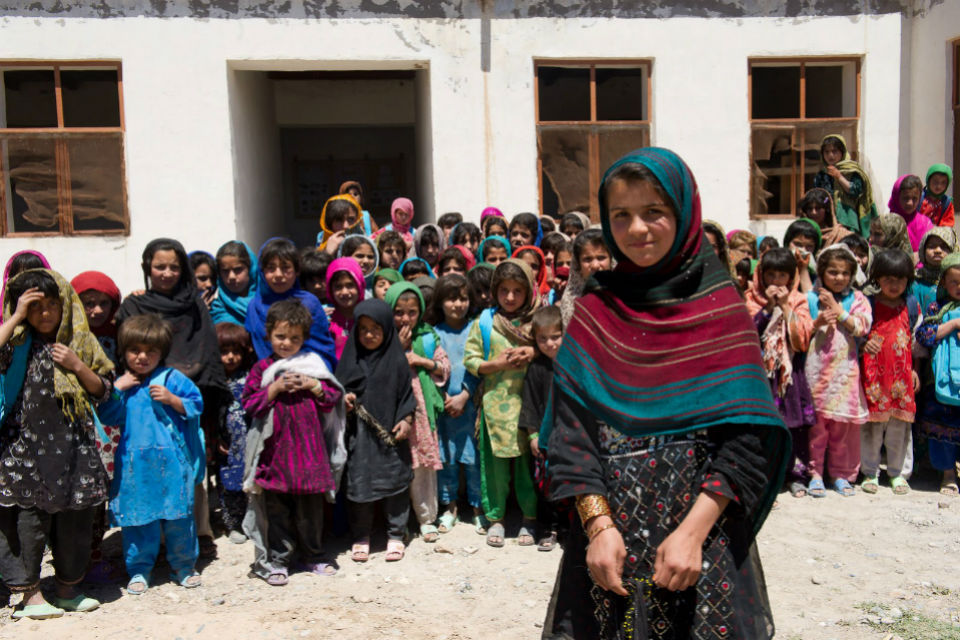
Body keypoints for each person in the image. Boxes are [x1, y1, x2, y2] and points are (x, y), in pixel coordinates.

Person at [543, 147, 788, 639]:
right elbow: (572, 434)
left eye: (654, 212)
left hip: (700, 544)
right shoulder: (595, 308)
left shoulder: (720, 309)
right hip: (609, 540)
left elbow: (745, 443)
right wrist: (598, 526)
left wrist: (692, 534)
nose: (637, 229)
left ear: (683, 211)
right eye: (621, 215)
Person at [0, 269, 113, 619]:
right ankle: (30, 595)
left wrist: (78, 366)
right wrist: (16, 316)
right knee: (25, 522)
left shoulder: (78, 343)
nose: (45, 313)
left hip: (72, 450)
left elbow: (103, 391)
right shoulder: (16, 344)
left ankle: (67, 589)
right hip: (23, 451)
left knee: (75, 520)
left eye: (52, 305)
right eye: (35, 307)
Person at [115, 238, 229, 560]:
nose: (166, 273)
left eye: (174, 267)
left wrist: (185, 392)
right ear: (146, 268)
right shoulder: (134, 306)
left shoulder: (195, 304)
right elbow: (127, 349)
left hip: (186, 397)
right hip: (144, 397)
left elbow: (206, 351)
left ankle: (200, 532)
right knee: (149, 470)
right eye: (159, 266)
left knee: (191, 467)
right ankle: (157, 542)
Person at [98, 314, 205, 595]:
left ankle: (183, 566)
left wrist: (173, 400)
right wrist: (117, 390)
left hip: (172, 463)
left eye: (151, 351)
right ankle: (138, 570)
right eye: (135, 350)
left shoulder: (173, 379)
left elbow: (197, 404)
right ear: (123, 351)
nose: (142, 357)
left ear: (162, 352)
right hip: (135, 466)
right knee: (137, 519)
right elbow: (107, 416)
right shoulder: (122, 383)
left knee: (179, 517)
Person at [242, 299, 345, 585]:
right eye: (280, 336)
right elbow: (249, 405)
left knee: (310, 513)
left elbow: (333, 399)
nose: (287, 343)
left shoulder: (312, 365)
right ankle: (279, 560)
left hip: (310, 455)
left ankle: (314, 555)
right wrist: (273, 389)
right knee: (278, 513)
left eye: (295, 338)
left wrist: (312, 385)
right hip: (276, 457)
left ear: (305, 338)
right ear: (268, 334)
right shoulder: (262, 369)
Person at [464, 259, 539, 549]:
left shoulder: (536, 321)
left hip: (528, 407)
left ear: (529, 291)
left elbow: (551, 349)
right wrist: (492, 364)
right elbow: (470, 359)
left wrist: (532, 352)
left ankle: (530, 519)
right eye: (504, 290)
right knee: (494, 470)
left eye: (517, 291)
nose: (510, 297)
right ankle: (495, 518)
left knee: (526, 469)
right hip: (494, 409)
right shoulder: (484, 322)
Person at [335, 299, 416, 563]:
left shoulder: (397, 361)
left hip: (390, 437)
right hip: (359, 438)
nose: (369, 335)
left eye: (376, 329)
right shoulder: (350, 360)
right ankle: (362, 536)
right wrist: (344, 402)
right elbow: (338, 392)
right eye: (363, 329)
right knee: (360, 486)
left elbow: (407, 397)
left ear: (387, 330)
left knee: (394, 487)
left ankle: (395, 534)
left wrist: (405, 420)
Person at [744, 248, 815, 498]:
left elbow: (803, 337)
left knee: (795, 425)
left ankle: (796, 475)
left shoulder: (799, 300)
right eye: (770, 275)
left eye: (782, 275)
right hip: (761, 375)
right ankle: (767, 477)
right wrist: (767, 310)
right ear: (761, 275)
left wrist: (785, 307)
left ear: (791, 276)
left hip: (789, 374)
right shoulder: (750, 299)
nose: (776, 281)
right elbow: (747, 334)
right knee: (764, 426)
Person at [804, 244, 872, 498]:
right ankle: (815, 473)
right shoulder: (810, 298)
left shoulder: (858, 299)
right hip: (817, 373)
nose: (839, 278)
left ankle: (842, 474)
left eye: (845, 273)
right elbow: (801, 331)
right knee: (817, 427)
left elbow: (862, 326)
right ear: (821, 272)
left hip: (845, 374)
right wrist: (817, 321)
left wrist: (838, 309)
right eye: (832, 272)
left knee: (843, 428)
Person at [385, 282, 449, 544]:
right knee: (398, 463)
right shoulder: (384, 336)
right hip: (394, 409)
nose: (405, 318)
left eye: (412, 312)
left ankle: (426, 518)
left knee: (423, 464)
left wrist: (421, 360)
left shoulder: (427, 336)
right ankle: (400, 521)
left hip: (421, 411)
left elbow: (444, 365)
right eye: (398, 312)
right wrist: (399, 351)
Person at [427, 275, 484, 536]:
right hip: (443, 408)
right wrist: (443, 400)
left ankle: (477, 508)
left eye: (463, 298)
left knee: (474, 459)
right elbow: (429, 372)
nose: (457, 304)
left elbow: (478, 365)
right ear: (441, 302)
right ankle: (449, 507)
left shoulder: (476, 329)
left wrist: (464, 395)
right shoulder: (433, 333)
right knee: (446, 457)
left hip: (469, 404)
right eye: (451, 298)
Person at [860, 249, 920, 496]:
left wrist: (916, 370)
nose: (894, 285)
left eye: (900, 279)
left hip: (902, 379)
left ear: (908, 280)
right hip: (874, 378)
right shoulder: (869, 304)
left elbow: (916, 342)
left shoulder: (912, 306)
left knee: (900, 428)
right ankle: (870, 472)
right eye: (888, 279)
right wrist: (863, 343)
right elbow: (858, 333)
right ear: (877, 279)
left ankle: (897, 473)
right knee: (872, 428)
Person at [245, 238, 337, 371]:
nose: (278, 275)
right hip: (267, 380)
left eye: (285, 267)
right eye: (271, 268)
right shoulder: (254, 306)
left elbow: (322, 349)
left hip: (307, 378)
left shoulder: (309, 303)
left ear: (297, 270)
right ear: (262, 271)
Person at [518, 305, 564, 551]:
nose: (550, 344)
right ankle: (549, 528)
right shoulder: (537, 368)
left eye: (555, 337)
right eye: (543, 339)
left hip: (570, 437)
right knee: (546, 486)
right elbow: (530, 402)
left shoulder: (573, 363)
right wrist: (533, 433)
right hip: (546, 439)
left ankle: (569, 529)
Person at [915, 253, 960, 496]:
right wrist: (953, 324)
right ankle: (947, 474)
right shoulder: (937, 307)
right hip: (941, 382)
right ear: (943, 282)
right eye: (954, 282)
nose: (959, 287)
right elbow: (924, 335)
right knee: (942, 429)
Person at [215, 322, 255, 543]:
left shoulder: (250, 376)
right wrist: (216, 437)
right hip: (227, 442)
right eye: (224, 352)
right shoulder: (215, 379)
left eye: (235, 352)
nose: (230, 357)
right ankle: (233, 524)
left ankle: (252, 520)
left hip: (249, 437)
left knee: (251, 481)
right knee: (228, 482)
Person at [812, 134, 878, 238]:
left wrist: (839, 176)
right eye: (827, 152)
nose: (830, 155)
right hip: (829, 221)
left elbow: (856, 191)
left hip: (849, 218)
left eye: (834, 151)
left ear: (842, 152)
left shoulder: (852, 171)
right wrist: (827, 203)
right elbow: (821, 197)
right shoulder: (822, 175)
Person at [559, 228, 612, 326]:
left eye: (601, 258)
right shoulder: (570, 301)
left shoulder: (625, 296)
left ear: (611, 260)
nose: (595, 265)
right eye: (587, 259)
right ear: (577, 264)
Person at [210, 241, 259, 327]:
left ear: (251, 270)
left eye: (238, 269)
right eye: (225, 271)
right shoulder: (215, 309)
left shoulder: (268, 304)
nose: (231, 277)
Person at [326, 258, 365, 360]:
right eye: (338, 287)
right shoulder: (326, 319)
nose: (344, 292)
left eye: (350, 285)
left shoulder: (368, 317)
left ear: (359, 285)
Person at [912, 228, 957, 311]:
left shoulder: (957, 280)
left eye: (944, 247)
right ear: (923, 250)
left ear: (952, 250)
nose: (938, 251)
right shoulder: (915, 281)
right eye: (931, 246)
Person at [888, 174, 933, 254]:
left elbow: (930, 250)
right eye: (906, 198)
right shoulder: (886, 223)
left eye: (915, 199)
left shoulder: (925, 223)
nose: (910, 203)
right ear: (896, 197)